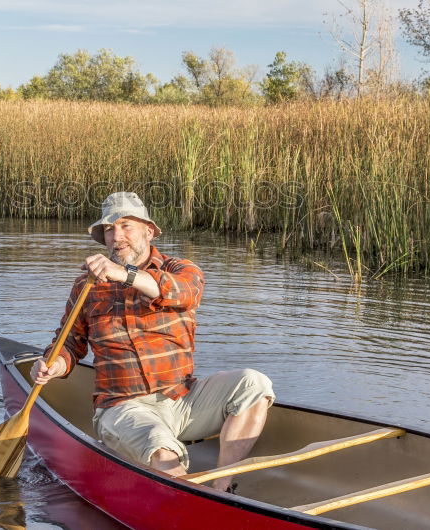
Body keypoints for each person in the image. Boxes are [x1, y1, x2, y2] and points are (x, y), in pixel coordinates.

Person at [31, 192, 274, 493]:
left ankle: (222, 484)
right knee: (162, 450)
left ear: (148, 230)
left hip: (181, 398)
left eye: (125, 226)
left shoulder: (181, 270)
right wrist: (53, 364)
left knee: (254, 383)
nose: (116, 237)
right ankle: (193, 502)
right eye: (109, 229)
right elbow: (70, 342)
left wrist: (125, 275)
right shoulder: (87, 285)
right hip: (122, 407)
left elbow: (183, 293)